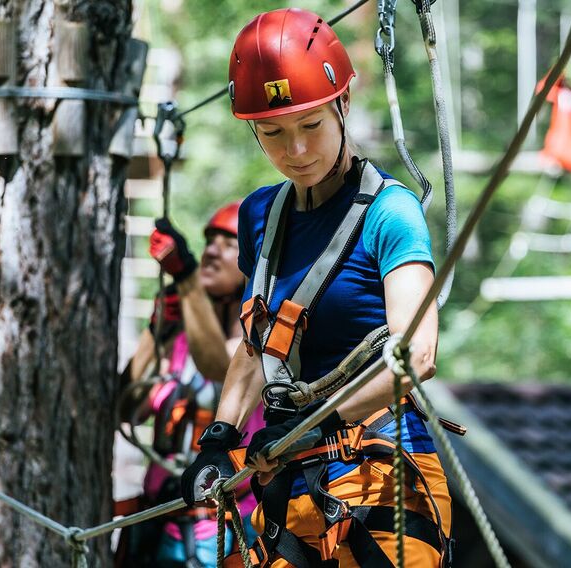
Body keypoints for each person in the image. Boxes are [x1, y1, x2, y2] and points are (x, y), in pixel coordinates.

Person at [178, 9, 453, 567]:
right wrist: (220, 437)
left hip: (383, 474)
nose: (295, 150)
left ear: (343, 106)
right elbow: (262, 344)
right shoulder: (260, 216)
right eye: (273, 133)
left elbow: (416, 354)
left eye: (311, 126)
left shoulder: (391, 213)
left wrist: (320, 425)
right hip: (292, 484)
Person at [116, 202, 264, 567]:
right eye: (210, 240)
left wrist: (186, 280)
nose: (212, 250)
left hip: (227, 531)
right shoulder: (181, 339)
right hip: (159, 524)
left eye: (229, 244)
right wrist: (157, 330)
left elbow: (218, 366)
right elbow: (126, 410)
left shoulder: (261, 340)